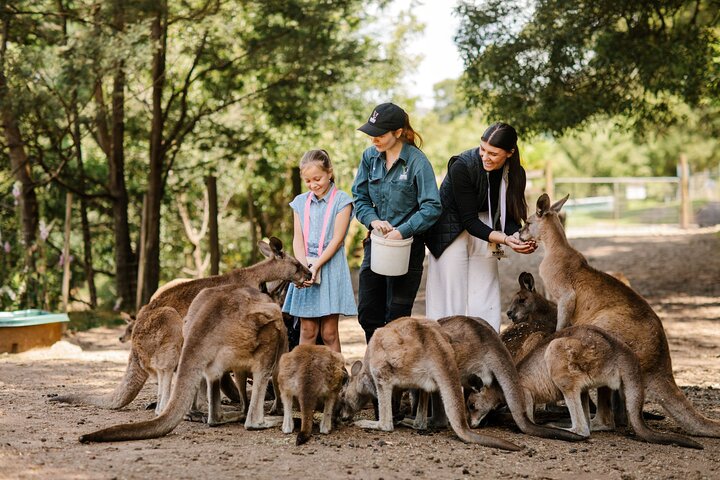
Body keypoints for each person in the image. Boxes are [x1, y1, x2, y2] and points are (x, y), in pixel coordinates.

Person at [424, 122, 537, 332]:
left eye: (493, 153)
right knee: (450, 292)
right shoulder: (462, 166)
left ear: (510, 153)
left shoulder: (515, 173)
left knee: (485, 289)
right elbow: (468, 220)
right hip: (451, 225)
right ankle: (444, 343)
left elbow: (510, 214)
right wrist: (504, 239)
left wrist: (518, 237)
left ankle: (486, 344)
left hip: (487, 224)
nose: (485, 156)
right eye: (482, 149)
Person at [352, 102, 442, 343]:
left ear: (398, 133)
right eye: (371, 134)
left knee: (397, 316)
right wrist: (372, 221)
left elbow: (432, 206)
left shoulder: (417, 162)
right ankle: (376, 364)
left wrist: (403, 231)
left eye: (380, 135)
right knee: (368, 312)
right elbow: (359, 198)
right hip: (377, 245)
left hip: (408, 247)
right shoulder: (369, 158)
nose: (374, 140)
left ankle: (398, 372)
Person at [282, 149, 357, 353]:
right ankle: (303, 380)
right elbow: (298, 239)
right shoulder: (300, 202)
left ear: (329, 173)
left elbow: (337, 240)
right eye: (308, 181)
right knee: (307, 330)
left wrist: (317, 265)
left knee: (329, 333)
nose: (313, 185)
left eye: (318, 178)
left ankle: (338, 380)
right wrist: (304, 268)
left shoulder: (342, 201)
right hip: (306, 268)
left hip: (330, 267)